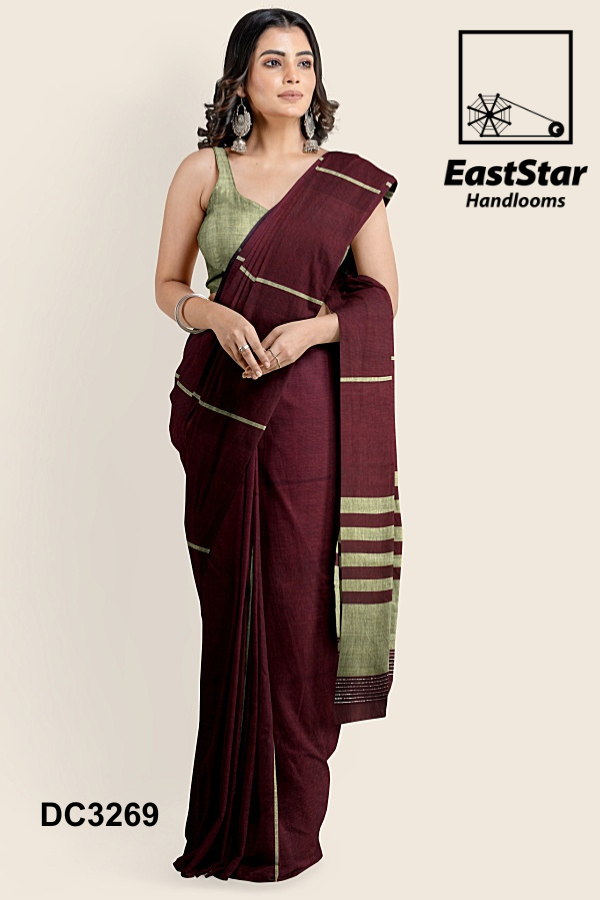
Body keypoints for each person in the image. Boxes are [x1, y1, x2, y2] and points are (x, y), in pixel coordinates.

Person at [155, 7, 403, 883]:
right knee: (235, 610)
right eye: (273, 61)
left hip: (308, 419)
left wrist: (309, 333)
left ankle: (288, 833)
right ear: (240, 79)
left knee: (299, 616)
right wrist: (212, 313)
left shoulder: (348, 184)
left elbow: (382, 299)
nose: (293, 76)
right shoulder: (204, 172)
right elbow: (167, 284)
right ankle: (229, 823)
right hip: (223, 412)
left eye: (304, 61)